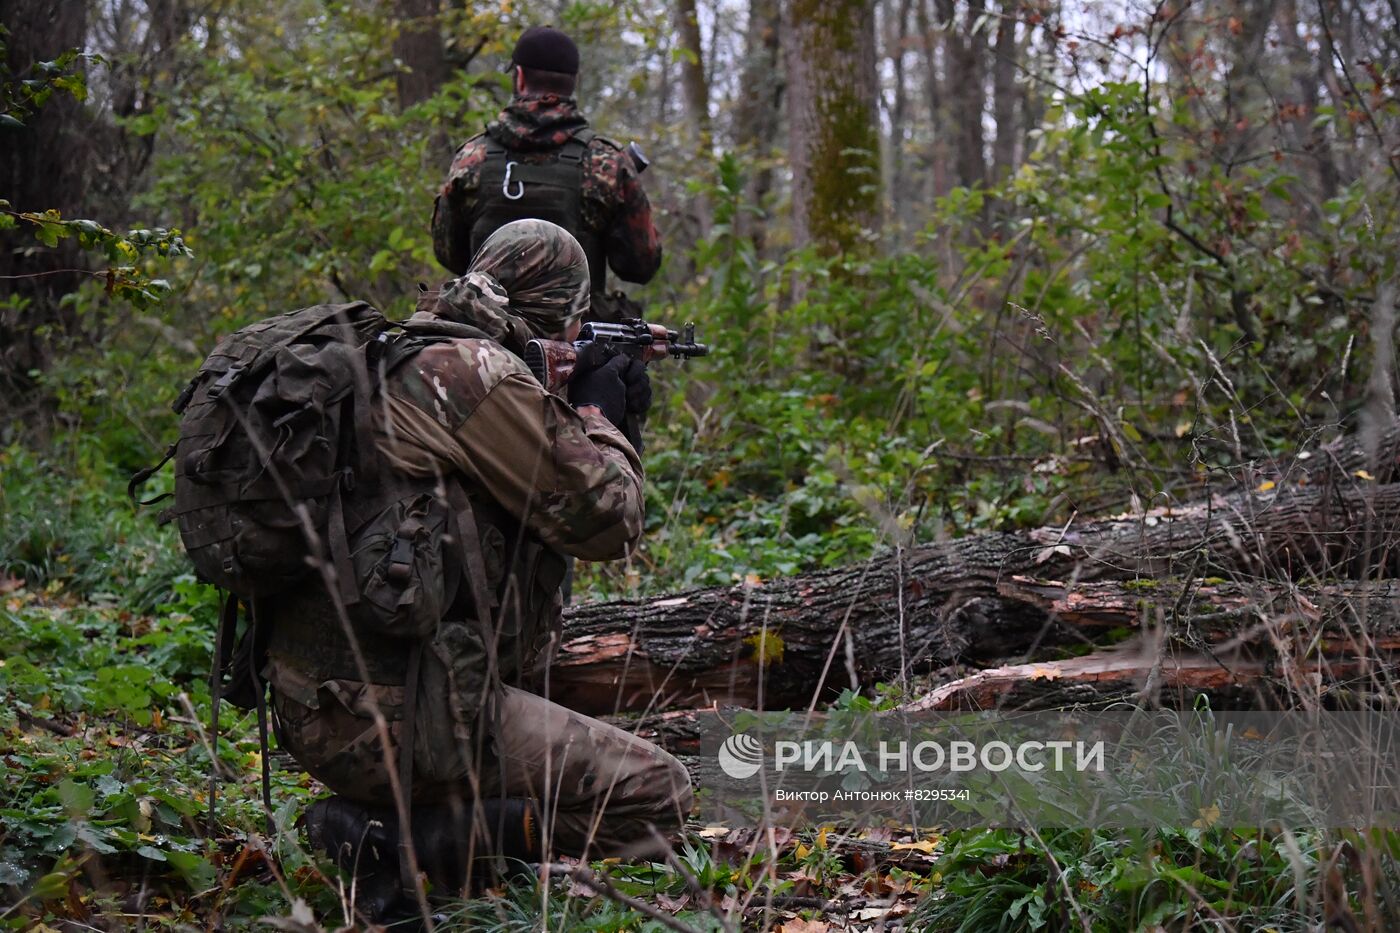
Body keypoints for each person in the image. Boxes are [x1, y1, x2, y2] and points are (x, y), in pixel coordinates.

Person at [272, 219, 691, 918]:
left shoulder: (399, 351)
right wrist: (598, 413)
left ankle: (402, 826)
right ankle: (392, 840)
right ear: (554, 310)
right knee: (659, 793)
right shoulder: (477, 376)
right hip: (391, 717)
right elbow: (607, 519)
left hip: (313, 698)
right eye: (574, 320)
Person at [431, 25, 662, 320]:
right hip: (576, 347)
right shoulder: (606, 163)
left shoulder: (472, 158)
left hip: (484, 342)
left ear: (521, 77)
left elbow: (449, 253)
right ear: (573, 82)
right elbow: (640, 265)